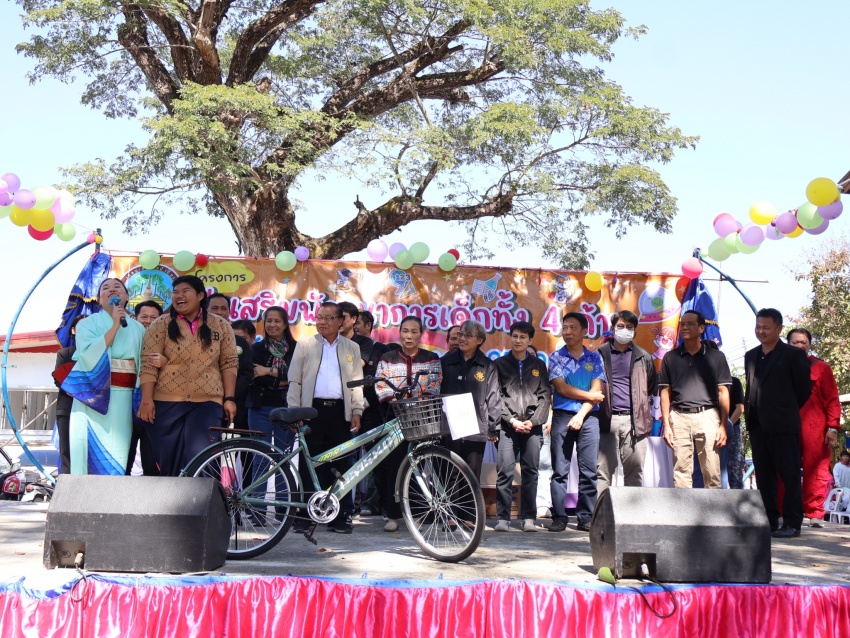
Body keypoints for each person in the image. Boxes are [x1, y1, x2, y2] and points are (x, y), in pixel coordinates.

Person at [138, 276, 239, 477]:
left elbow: (229, 362)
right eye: (175, 292)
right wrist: (147, 400)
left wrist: (229, 398)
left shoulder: (220, 325)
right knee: (168, 463)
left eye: (185, 291)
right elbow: (148, 363)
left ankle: (200, 498)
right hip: (166, 402)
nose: (179, 296)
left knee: (201, 459)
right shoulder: (161, 324)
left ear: (200, 295)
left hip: (207, 403)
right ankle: (174, 497)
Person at [287, 301, 365, 534]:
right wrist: (294, 411)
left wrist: (357, 411)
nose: (322, 322)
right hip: (311, 412)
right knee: (308, 464)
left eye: (328, 318)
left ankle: (340, 517)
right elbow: (295, 380)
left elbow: (356, 384)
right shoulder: (305, 345)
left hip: (340, 413)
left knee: (341, 465)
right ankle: (305, 516)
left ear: (340, 321)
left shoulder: (352, 347)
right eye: (319, 317)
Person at [65, 278, 146, 475]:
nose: (112, 290)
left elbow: (143, 364)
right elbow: (87, 354)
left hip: (123, 398)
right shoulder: (88, 324)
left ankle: (110, 492)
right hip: (93, 397)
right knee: (87, 451)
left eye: (117, 287)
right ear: (99, 299)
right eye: (105, 288)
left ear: (126, 297)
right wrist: (115, 325)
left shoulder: (138, 328)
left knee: (118, 451)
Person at [744, 308, 812, 538]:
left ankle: (792, 523)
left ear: (779, 328)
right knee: (764, 476)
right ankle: (769, 520)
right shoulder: (751, 355)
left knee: (789, 475)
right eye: (758, 327)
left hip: (783, 424)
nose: (761, 331)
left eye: (766, 327)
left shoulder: (793, 355)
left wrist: (784, 409)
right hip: (757, 424)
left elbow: (803, 390)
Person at [375, 315, 442, 531]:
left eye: (414, 331)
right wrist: (394, 400)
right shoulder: (387, 357)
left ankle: (417, 515)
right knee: (394, 466)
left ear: (421, 334)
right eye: (405, 331)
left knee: (419, 466)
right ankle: (393, 516)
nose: (409, 336)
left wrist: (421, 400)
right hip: (395, 417)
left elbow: (435, 383)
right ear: (400, 333)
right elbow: (380, 384)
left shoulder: (431, 358)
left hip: (421, 418)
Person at [547, 312, 606, 532]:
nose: (568, 332)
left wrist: (581, 415)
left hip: (588, 417)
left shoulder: (595, 358)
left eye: (573, 327)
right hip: (562, 416)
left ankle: (586, 517)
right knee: (559, 470)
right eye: (565, 327)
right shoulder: (556, 357)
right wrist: (590, 396)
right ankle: (559, 517)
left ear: (584, 332)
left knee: (589, 470)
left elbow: (597, 390)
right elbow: (561, 388)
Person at [659, 310, 731, 489]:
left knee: (712, 473)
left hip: (708, 415)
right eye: (682, 324)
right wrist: (667, 424)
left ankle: (713, 508)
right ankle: (684, 508)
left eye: (690, 324)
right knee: (680, 472)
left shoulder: (716, 357)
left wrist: (723, 425)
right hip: (679, 416)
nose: (685, 327)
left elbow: (723, 392)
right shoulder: (670, 357)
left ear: (701, 328)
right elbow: (665, 392)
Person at [493, 321, 551, 532]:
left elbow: (545, 396)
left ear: (530, 340)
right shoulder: (499, 364)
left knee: (531, 472)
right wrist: (511, 420)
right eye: (515, 336)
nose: (518, 340)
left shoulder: (538, 365)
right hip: (507, 426)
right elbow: (496, 397)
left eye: (523, 337)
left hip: (532, 427)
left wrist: (533, 421)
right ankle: (503, 518)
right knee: (505, 471)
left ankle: (529, 518)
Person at [596, 310, 657, 491]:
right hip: (606, 420)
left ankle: (632, 510)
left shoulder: (644, 356)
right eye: (620, 326)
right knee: (603, 472)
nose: (625, 330)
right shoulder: (599, 354)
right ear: (613, 329)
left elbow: (650, 387)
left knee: (635, 471)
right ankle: (602, 509)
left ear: (635, 330)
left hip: (635, 421)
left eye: (629, 327)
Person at [338, 302, 389, 517]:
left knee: (374, 457)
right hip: (340, 407)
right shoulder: (326, 343)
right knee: (342, 457)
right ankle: (343, 504)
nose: (355, 325)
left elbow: (360, 373)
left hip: (369, 409)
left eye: (357, 322)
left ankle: (375, 503)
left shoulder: (371, 347)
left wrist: (364, 403)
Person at [787, 328, 840, 528]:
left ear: (809, 345)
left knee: (816, 469)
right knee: (784, 469)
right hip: (786, 425)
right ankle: (783, 511)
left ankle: (815, 513)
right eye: (795, 342)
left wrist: (832, 427)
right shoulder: (780, 366)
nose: (800, 345)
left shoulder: (821, 368)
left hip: (815, 427)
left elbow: (832, 399)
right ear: (788, 344)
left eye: (804, 342)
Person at [440, 320, 501, 483]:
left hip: (476, 429)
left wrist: (493, 428)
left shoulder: (487, 365)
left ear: (479, 340)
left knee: (471, 476)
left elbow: (493, 397)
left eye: (468, 335)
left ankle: (471, 502)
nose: (462, 339)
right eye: (461, 334)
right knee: (449, 475)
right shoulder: (446, 362)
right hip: (449, 428)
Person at [247, 306, 296, 446]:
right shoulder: (258, 348)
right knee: (260, 453)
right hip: (260, 407)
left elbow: (298, 375)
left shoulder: (296, 348)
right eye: (269, 321)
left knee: (283, 454)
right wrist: (284, 381)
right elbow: (257, 376)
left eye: (277, 321)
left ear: (285, 324)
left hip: (288, 408)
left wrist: (268, 370)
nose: (272, 325)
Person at [126, 300, 163, 476]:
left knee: (151, 463)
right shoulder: (125, 339)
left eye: (153, 318)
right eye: (144, 317)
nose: (148, 321)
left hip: (155, 408)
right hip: (125, 407)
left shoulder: (167, 341)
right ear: (135, 318)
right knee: (124, 459)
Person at [207, 293, 253, 430]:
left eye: (223, 308)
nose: (219, 312)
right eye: (214, 308)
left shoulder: (239, 342)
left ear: (229, 311)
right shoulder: (196, 339)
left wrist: (229, 396)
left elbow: (246, 373)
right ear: (205, 310)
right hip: (202, 402)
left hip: (232, 403)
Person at [52, 316, 85, 474]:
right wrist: (79, 390)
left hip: (92, 411)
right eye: (81, 326)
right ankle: (67, 484)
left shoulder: (102, 354)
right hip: (67, 409)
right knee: (67, 451)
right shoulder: (64, 354)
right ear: (73, 330)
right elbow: (59, 380)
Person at [726, 377, 746, 489]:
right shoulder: (709, 381)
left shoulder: (734, 382)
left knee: (734, 469)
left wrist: (727, 425)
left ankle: (738, 497)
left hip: (733, 429)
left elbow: (740, 408)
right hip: (713, 429)